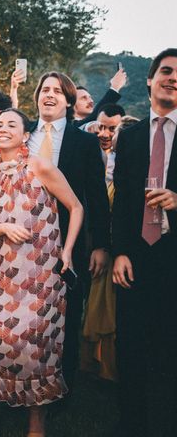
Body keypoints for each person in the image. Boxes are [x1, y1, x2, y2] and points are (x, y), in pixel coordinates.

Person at [0, 108, 83, 437]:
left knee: (39, 347)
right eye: (0, 125)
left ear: (25, 136)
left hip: (42, 273)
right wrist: (3, 227)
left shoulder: (41, 166)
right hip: (4, 271)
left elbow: (76, 207)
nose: (3, 129)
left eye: (12, 125)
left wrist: (67, 251)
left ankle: (37, 426)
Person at [28, 71, 110, 393]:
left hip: (68, 241)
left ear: (68, 101)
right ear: (36, 97)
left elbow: (97, 198)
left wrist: (101, 245)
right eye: (44, 90)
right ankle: (24, 380)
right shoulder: (23, 136)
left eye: (57, 92)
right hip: (23, 242)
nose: (49, 95)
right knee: (26, 314)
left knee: (66, 317)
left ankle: (62, 387)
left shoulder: (85, 142)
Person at [112, 48, 177, 437]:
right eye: (166, 71)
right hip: (135, 254)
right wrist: (120, 250)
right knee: (131, 345)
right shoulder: (131, 135)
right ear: (150, 79)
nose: (173, 78)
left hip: (174, 256)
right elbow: (120, 199)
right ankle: (130, 424)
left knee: (171, 346)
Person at [80, 104, 126, 382]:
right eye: (101, 126)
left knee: (106, 303)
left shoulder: (126, 161)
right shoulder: (87, 152)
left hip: (109, 243)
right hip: (83, 239)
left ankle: (105, 366)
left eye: (112, 128)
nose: (105, 133)